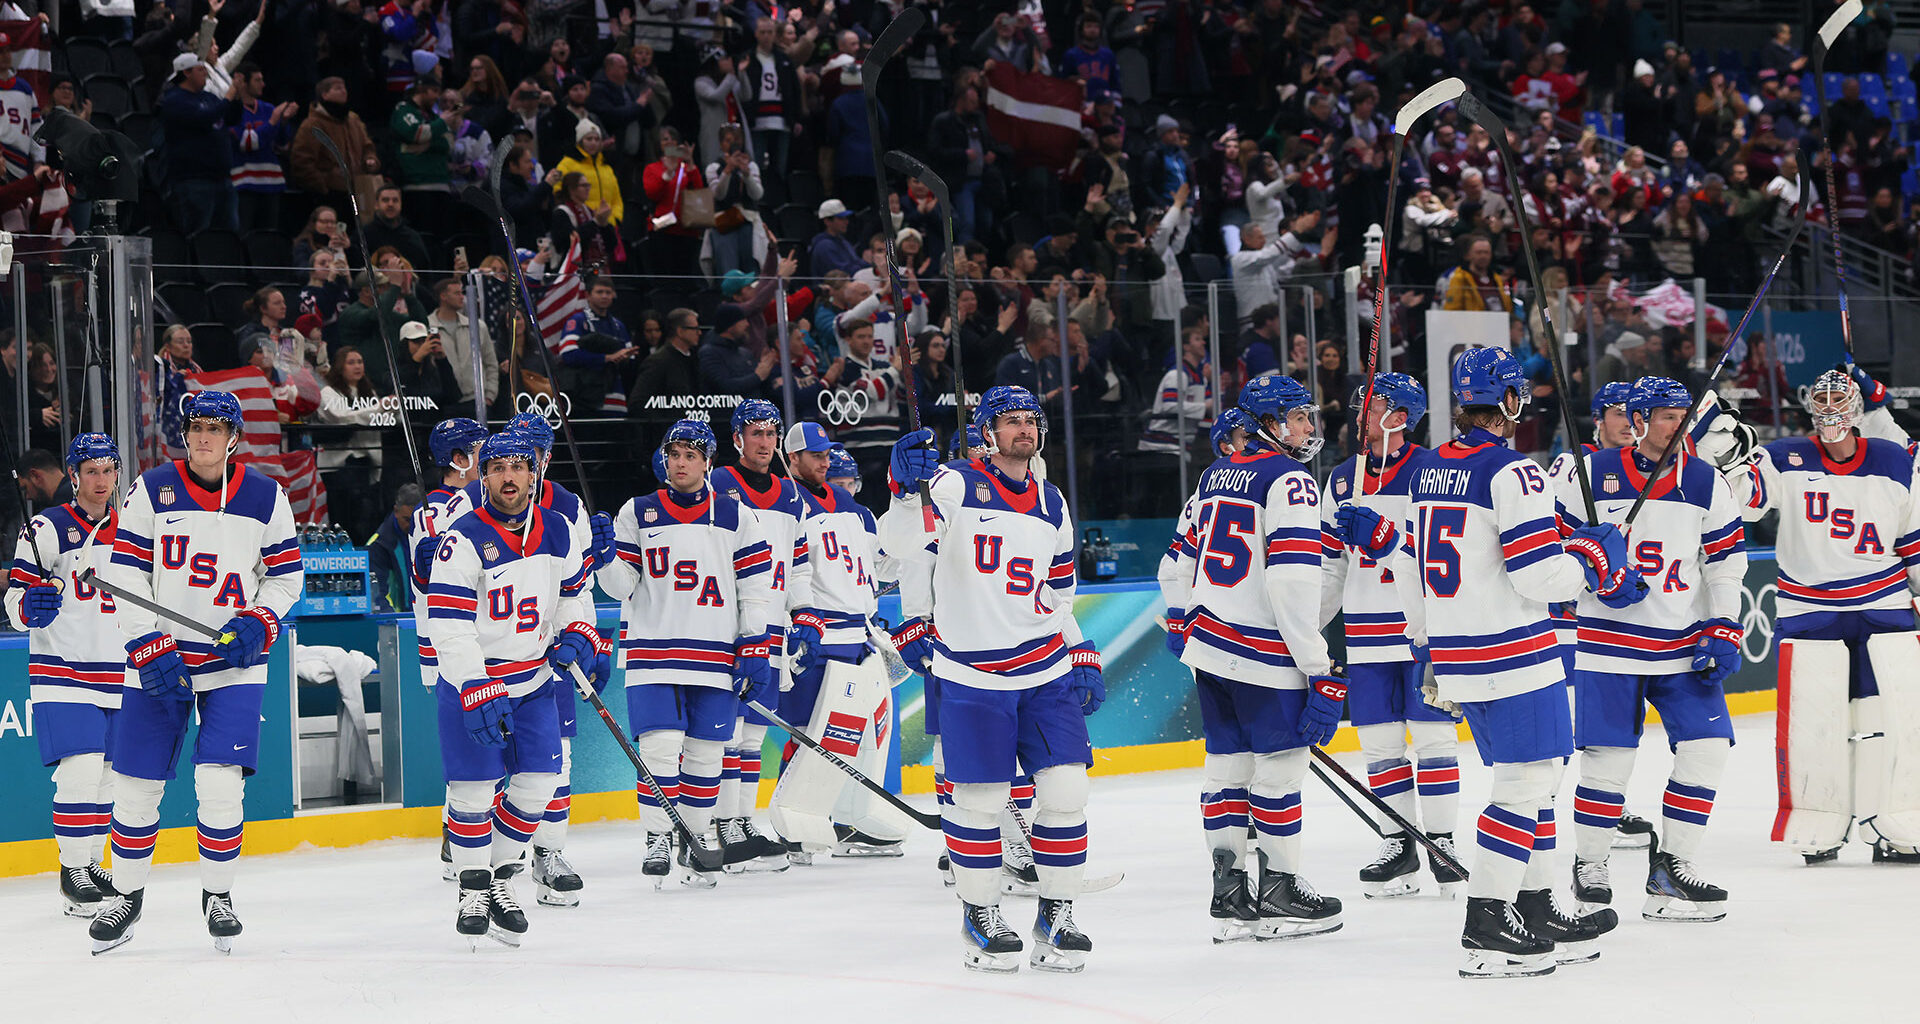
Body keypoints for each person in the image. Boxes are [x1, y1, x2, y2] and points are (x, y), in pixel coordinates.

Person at [1343, 348, 1640, 977]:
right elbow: (1537, 577)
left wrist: (1428, 644)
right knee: (1527, 785)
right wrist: (1594, 564)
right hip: (1512, 652)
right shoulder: (1515, 472)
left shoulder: (1432, 469)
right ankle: (1487, 917)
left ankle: (1533, 904)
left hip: (1458, 653)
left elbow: (1420, 566)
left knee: (1526, 780)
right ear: (1508, 400)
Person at [882, 386, 1102, 973]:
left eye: (1030, 421)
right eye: (1010, 421)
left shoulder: (1052, 500)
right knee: (980, 802)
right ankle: (979, 915)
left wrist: (1079, 651)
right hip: (972, 672)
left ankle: (1058, 914)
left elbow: (1060, 590)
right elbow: (898, 546)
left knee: (1066, 792)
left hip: (1044, 669)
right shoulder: (953, 482)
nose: (1023, 430)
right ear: (986, 432)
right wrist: (906, 495)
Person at [91, 392, 304, 954]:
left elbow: (286, 578)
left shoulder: (265, 495)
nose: (202, 436)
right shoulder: (151, 487)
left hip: (233, 662)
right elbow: (125, 572)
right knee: (136, 788)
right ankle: (126, 897)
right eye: (194, 426)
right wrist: (145, 641)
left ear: (234, 436)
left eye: (214, 427)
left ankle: (218, 896)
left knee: (219, 786)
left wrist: (260, 620)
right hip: (160, 657)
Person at [1158, 374, 1344, 943]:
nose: (1310, 427)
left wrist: (1178, 618)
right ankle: (1281, 889)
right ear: (1270, 422)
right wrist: (1319, 668)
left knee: (1226, 772)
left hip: (1209, 650)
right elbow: (1291, 584)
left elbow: (1173, 568)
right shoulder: (1291, 481)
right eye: (1299, 416)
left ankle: (1230, 893)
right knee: (1281, 771)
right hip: (1264, 654)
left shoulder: (1215, 475)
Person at [1554, 377, 1744, 923]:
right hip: (1607, 647)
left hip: (1682, 644)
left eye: (1683, 414)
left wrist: (1725, 622)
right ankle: (1590, 862)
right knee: (1608, 765)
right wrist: (1595, 574)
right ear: (1637, 420)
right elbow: (1553, 546)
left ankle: (1672, 872)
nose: (1677, 424)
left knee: (1707, 749)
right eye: (1665, 415)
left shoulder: (1708, 482)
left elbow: (1726, 561)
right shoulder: (1588, 474)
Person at [1725, 369, 1920, 865]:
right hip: (1808, 607)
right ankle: (1819, 823)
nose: (1831, 411)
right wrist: (1727, 456)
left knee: (1892, 721)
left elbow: (1913, 541)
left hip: (1883, 604)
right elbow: (1746, 504)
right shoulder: (1783, 455)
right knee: (1814, 721)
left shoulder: (1897, 459)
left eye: (1841, 401)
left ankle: (1895, 822)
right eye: (1822, 401)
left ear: (1857, 411)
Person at [424, 432, 604, 947]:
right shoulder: (460, 539)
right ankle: (474, 887)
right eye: (497, 466)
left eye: (518, 466)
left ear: (534, 473)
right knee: (474, 792)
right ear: (484, 476)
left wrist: (576, 634)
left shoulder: (560, 530)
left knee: (540, 784)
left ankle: (500, 880)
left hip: (533, 683)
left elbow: (574, 596)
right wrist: (475, 684)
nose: (508, 476)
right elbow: (450, 626)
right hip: (473, 684)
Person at [596, 419, 774, 889]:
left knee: (705, 757)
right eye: (674, 454)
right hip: (651, 651)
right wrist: (605, 560)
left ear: (707, 461)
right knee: (659, 751)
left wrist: (755, 642)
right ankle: (657, 836)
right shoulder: (637, 511)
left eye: (690, 455)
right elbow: (622, 587)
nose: (680, 463)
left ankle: (694, 838)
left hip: (716, 653)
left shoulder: (736, 515)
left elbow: (755, 588)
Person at [1317, 374, 1467, 899]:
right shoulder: (1339, 477)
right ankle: (1397, 842)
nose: (1361, 410)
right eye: (1362, 402)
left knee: (1433, 738)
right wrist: (1307, 628)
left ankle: (1442, 841)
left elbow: (1440, 552)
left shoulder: (1434, 469)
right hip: (1362, 633)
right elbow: (1331, 568)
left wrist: (1387, 538)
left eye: (1374, 403)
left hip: (1420, 629)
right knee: (1379, 743)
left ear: (1401, 415)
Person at [765, 420, 900, 860]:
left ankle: (844, 818)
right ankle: (793, 823)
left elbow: (883, 566)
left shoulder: (854, 509)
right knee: (808, 731)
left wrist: (912, 512)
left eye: (827, 454)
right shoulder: (785, 502)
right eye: (815, 455)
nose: (824, 462)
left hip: (858, 635)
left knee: (857, 734)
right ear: (792, 458)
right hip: (815, 633)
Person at [5, 434, 123, 917]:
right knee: (80, 768)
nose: (100, 480)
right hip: (63, 668)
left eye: (107, 470)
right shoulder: (46, 527)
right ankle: (72, 869)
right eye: (90, 471)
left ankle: (92, 862)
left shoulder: (135, 528)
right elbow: (15, 600)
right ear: (73, 476)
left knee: (108, 779)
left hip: (120, 668)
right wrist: (28, 606)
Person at [708, 401, 808, 871]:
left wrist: (803, 611)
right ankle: (721, 823)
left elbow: (800, 557)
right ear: (737, 439)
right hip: (732, 626)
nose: (765, 442)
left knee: (754, 732)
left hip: (774, 626)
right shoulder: (720, 484)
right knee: (726, 731)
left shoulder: (791, 493)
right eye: (756, 433)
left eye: (771, 433)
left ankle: (743, 822)